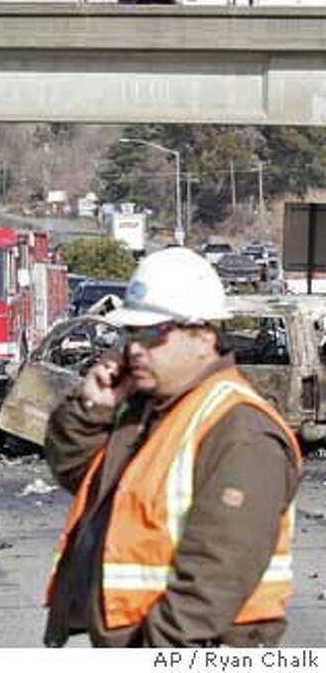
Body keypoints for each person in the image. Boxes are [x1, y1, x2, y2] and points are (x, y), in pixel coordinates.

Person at [43, 248, 301, 648]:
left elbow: (213, 578)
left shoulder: (239, 430)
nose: (134, 349)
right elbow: (75, 472)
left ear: (203, 337)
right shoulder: (150, 411)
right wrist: (91, 408)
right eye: (129, 334)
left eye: (151, 334)